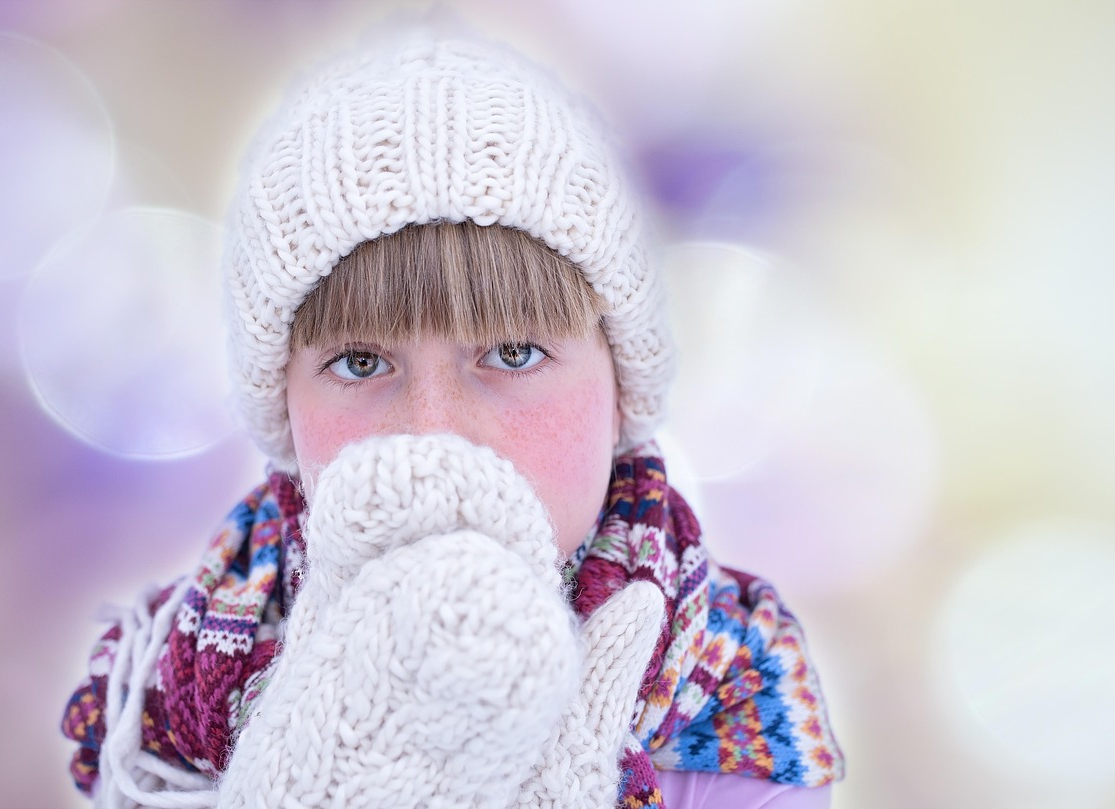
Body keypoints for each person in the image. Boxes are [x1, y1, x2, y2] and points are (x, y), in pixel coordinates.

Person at [62, 28, 845, 809]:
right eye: (362, 364)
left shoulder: (737, 700)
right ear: (284, 412)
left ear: (619, 391)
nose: (434, 434)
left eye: (511, 353)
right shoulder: (162, 700)